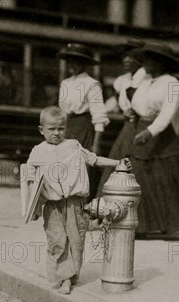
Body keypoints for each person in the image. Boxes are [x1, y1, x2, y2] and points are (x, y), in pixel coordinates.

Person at [25, 106, 131, 294]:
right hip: (53, 205)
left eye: (61, 128)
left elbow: (94, 159)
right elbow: (30, 180)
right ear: (42, 130)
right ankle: (63, 276)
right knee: (57, 240)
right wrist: (32, 206)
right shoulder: (38, 151)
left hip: (76, 204)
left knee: (76, 240)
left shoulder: (73, 146)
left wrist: (117, 163)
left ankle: (71, 275)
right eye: (52, 129)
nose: (57, 133)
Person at [128, 43, 179, 239]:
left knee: (173, 177)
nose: (144, 63)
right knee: (141, 177)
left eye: (149, 59)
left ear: (161, 63)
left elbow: (167, 113)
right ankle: (143, 225)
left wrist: (150, 131)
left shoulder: (172, 84)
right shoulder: (146, 81)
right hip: (142, 129)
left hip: (163, 134)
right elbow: (135, 101)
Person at [57, 43, 110, 198]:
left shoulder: (92, 84)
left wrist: (96, 143)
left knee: (81, 168)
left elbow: (98, 115)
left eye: (77, 61)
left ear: (84, 64)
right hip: (67, 127)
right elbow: (62, 111)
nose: (72, 65)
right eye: (70, 60)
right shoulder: (65, 83)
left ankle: (82, 207)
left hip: (84, 128)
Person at [97, 39, 149, 196]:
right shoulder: (122, 80)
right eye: (124, 57)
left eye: (131, 57)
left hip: (143, 126)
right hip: (128, 127)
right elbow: (116, 102)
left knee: (137, 166)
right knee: (117, 161)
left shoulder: (147, 78)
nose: (126, 60)